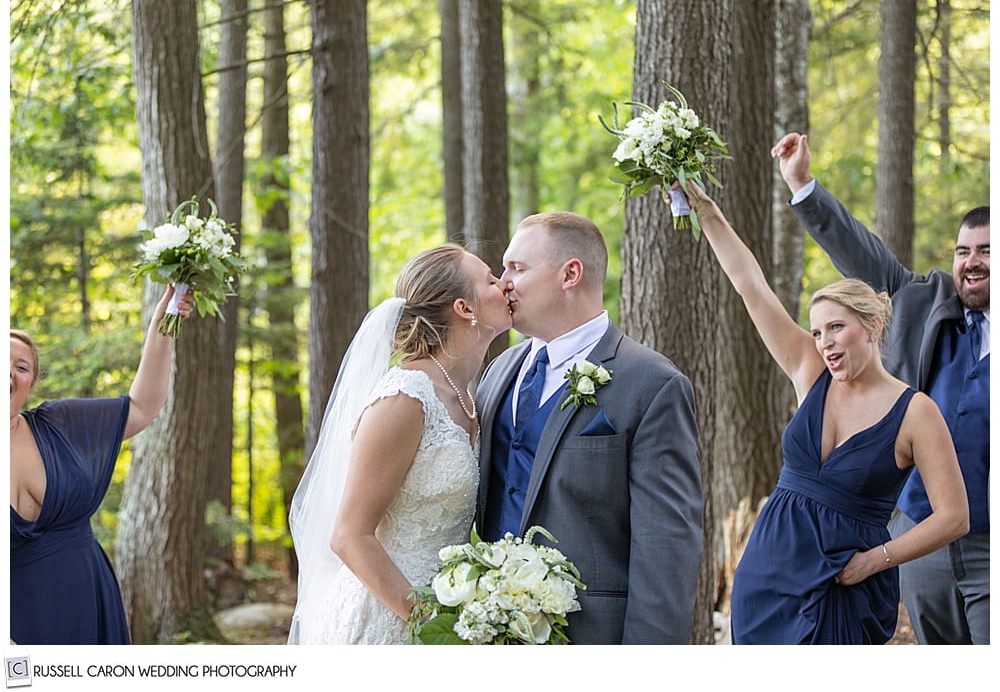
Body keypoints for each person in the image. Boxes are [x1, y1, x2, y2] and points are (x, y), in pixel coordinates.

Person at [674, 181, 969, 644]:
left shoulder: (916, 412)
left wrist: (876, 559)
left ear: (872, 327)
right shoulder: (810, 372)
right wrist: (705, 208)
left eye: (836, 327)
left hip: (846, 582)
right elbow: (749, 285)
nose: (824, 341)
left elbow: (954, 517)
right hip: (768, 573)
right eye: (817, 332)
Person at [772, 132, 990, 645]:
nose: (971, 261)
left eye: (986, 250)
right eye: (963, 251)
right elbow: (858, 251)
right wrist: (803, 184)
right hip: (921, 537)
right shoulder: (924, 300)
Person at [475, 211, 703, 644]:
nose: (503, 282)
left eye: (517, 268)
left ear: (570, 274)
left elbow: (666, 547)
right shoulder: (498, 370)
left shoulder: (652, 383)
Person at [287, 244, 512, 644]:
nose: (506, 285)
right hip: (390, 617)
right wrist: (430, 624)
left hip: (449, 609)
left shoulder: (468, 395)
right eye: (492, 280)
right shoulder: (405, 397)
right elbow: (348, 535)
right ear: (465, 308)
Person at [10, 285, 194, 644]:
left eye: (21, 366)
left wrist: (162, 323)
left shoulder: (59, 424)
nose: (10, 373)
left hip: (90, 601)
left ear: (31, 382)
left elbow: (142, 407)